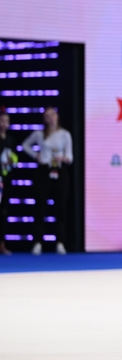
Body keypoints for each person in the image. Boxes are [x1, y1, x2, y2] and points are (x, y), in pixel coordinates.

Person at [21, 107, 73, 255]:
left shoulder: (65, 135)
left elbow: (70, 157)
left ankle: (60, 242)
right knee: (40, 207)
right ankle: (37, 242)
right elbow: (25, 145)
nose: (50, 118)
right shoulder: (39, 134)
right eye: (46, 116)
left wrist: (62, 158)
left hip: (60, 171)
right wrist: (36, 155)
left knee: (61, 208)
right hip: (43, 171)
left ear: (57, 117)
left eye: (52, 115)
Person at [1, 108, 19, 255]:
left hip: (6, 178)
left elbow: (15, 158)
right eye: (2, 121)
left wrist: (11, 160)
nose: (4, 124)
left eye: (7, 121)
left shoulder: (11, 139)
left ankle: (2, 244)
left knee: (4, 211)